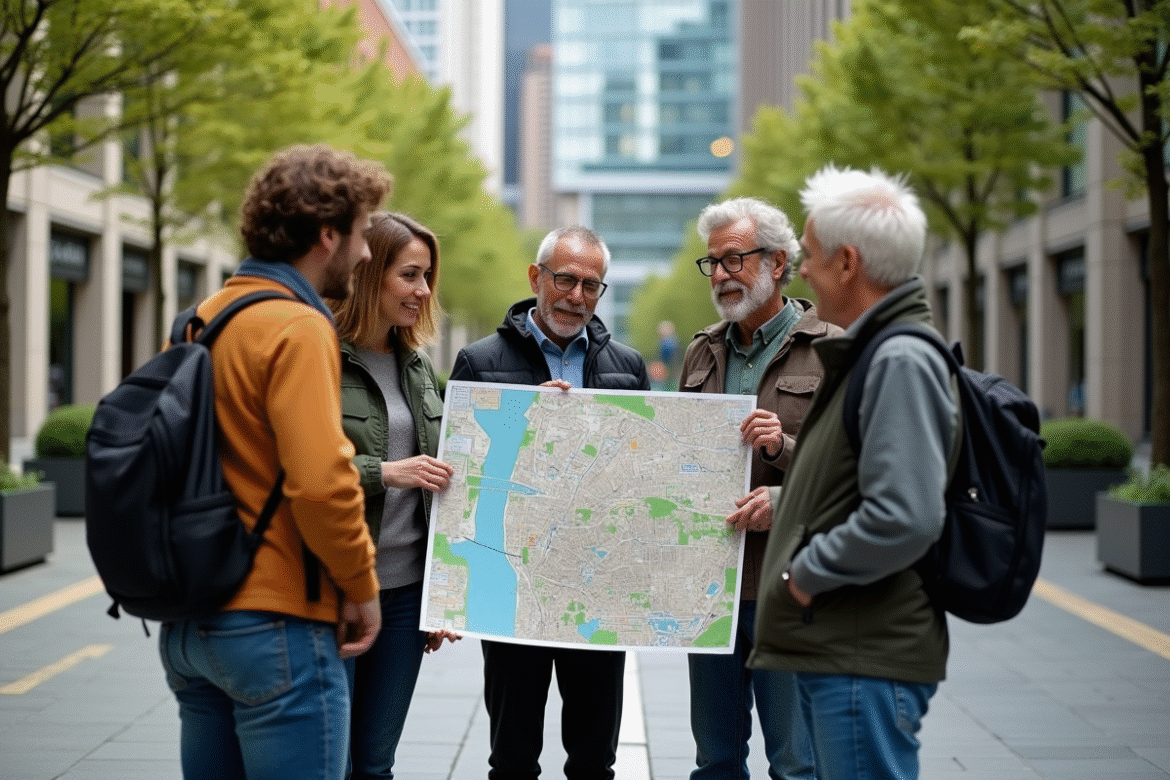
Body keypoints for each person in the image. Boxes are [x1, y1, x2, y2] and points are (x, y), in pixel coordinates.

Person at [157, 144, 391, 780]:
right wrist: (361, 587)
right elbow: (320, 485)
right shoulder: (299, 326)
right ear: (327, 234)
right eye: (364, 233)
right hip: (277, 626)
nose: (368, 252)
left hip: (192, 623)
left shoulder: (201, 320)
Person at [749, 165, 961, 780]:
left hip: (861, 655)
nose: (803, 271)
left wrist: (805, 574)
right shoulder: (878, 352)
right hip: (846, 650)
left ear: (847, 263)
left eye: (810, 256)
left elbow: (905, 514)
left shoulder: (897, 359)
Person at [450, 225, 650, 780]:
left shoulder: (628, 368)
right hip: (512, 588)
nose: (577, 296)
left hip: (596, 589)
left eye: (592, 285)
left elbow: (640, 477)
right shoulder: (478, 360)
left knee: (594, 759)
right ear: (536, 278)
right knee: (512, 758)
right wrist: (521, 422)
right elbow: (459, 471)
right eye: (565, 279)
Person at [681, 197, 834, 780]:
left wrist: (783, 456)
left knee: (796, 763)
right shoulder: (702, 349)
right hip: (712, 592)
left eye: (734, 259)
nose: (720, 274)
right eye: (713, 262)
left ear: (777, 261)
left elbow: (860, 469)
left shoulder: (830, 347)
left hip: (791, 592)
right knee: (715, 759)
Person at [330, 213, 460, 779]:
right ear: (370, 273)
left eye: (427, 276)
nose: (424, 291)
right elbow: (302, 469)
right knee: (329, 760)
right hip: (335, 589)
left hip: (407, 596)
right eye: (410, 275)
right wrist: (386, 471)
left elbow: (459, 458)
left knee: (376, 763)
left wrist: (540, 412)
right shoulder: (321, 356)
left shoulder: (417, 366)